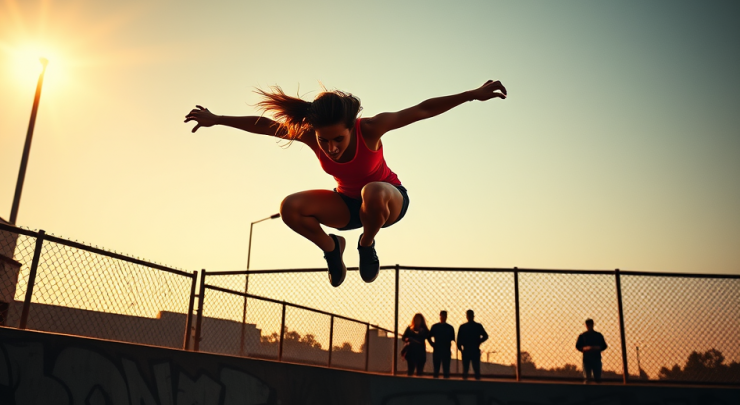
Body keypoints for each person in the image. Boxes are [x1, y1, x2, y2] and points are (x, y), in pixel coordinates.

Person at [185, 81, 506, 287]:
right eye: (324, 141)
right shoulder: (311, 136)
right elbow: (266, 126)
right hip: (346, 205)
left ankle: (366, 244)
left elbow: (422, 109)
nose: (331, 148)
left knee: (372, 190)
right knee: (289, 207)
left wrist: (471, 95)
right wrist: (218, 119)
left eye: (338, 139)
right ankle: (332, 248)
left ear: (352, 127)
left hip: (388, 201)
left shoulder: (372, 128)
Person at [457, 309, 488, 380]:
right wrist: (479, 341)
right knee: (476, 369)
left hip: (467, 349)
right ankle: (477, 383)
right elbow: (485, 336)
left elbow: (459, 340)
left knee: (466, 369)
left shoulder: (463, 327)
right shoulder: (477, 326)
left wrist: (461, 349)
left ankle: (465, 383)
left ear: (466, 316)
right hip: (474, 349)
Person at [575, 319, 608, 383]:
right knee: (588, 378)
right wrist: (585, 349)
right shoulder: (583, 336)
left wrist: (598, 348)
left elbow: (604, 346)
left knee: (596, 378)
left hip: (595, 358)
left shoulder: (597, 335)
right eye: (588, 325)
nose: (589, 326)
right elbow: (577, 346)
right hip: (588, 359)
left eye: (590, 324)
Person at [429, 311, 456, 378]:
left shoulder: (437, 327)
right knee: (439, 369)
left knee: (443, 369)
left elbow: (428, 337)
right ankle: (443, 381)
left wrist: (433, 344)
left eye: (444, 316)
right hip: (441, 349)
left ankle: (439, 381)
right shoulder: (449, 328)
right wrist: (432, 344)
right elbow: (428, 337)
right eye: (442, 315)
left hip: (442, 349)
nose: (443, 317)